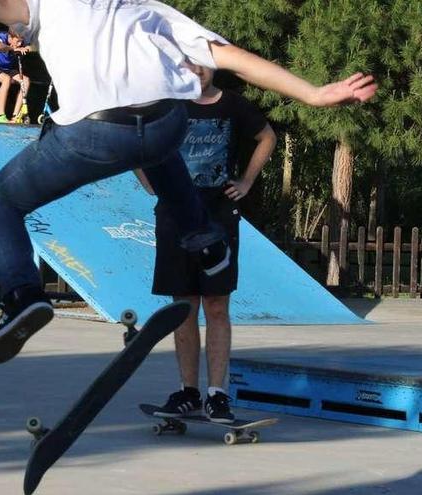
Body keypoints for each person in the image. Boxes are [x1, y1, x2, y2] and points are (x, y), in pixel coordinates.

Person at [0, 0, 377, 366]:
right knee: (158, 147)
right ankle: (204, 241)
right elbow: (235, 57)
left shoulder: (48, 4)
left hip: (95, 133)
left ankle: (23, 297)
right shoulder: (155, 11)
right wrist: (312, 94)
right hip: (164, 124)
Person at [136, 66, 276, 423]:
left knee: (216, 304)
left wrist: (246, 182)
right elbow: (134, 141)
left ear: (213, 67)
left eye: (202, 63)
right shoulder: (168, 106)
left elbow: (267, 137)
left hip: (218, 216)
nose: (196, 70)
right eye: (188, 63)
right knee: (183, 305)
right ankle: (188, 392)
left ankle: (217, 394)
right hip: (174, 216)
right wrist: (148, 180)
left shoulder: (233, 105)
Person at [0, 29, 31, 123]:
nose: (20, 44)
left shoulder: (20, 40)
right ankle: (1, 115)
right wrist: (12, 49)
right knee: (6, 79)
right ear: (10, 37)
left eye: (21, 41)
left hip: (10, 70)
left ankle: (15, 116)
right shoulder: (1, 36)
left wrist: (26, 48)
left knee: (26, 81)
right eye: (18, 41)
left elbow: (32, 46)